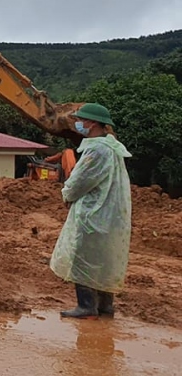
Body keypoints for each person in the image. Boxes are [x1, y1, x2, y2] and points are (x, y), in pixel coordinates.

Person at [50, 103, 132, 319]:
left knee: (83, 258)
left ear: (93, 123)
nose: (78, 124)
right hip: (110, 214)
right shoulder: (112, 147)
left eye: (82, 120)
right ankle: (105, 306)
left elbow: (80, 180)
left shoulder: (97, 150)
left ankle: (86, 307)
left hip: (93, 213)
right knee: (103, 260)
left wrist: (67, 193)